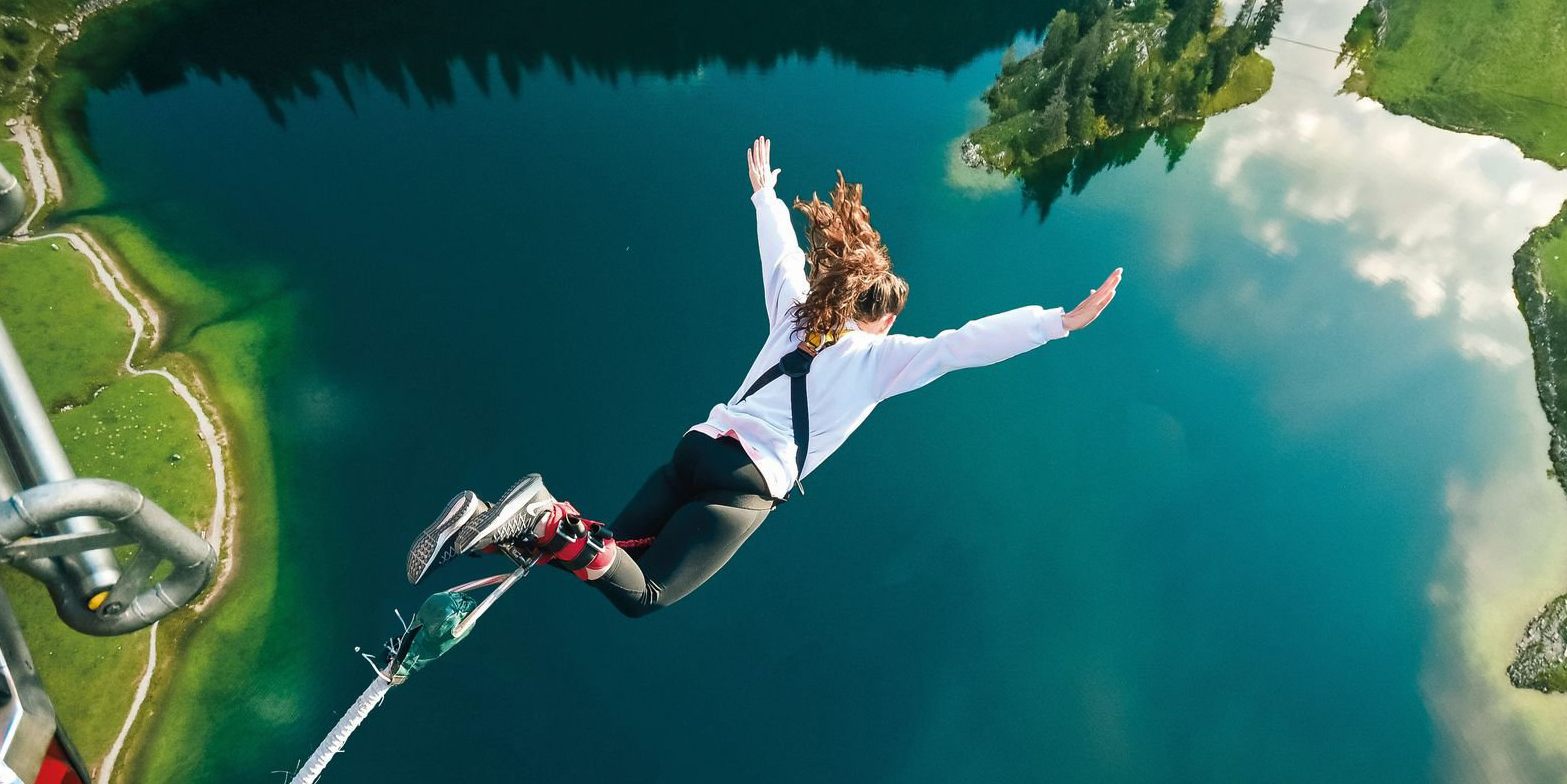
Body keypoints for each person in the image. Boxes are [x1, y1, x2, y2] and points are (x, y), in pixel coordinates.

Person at [407, 136, 1120, 616]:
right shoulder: (880, 359)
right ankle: (542, 518)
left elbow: (781, 256)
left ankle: (498, 528)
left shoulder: (796, 314)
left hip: (696, 447)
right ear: (880, 317)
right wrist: (1056, 322)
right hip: (745, 483)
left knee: (608, 551)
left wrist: (765, 196)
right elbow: (962, 346)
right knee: (646, 594)